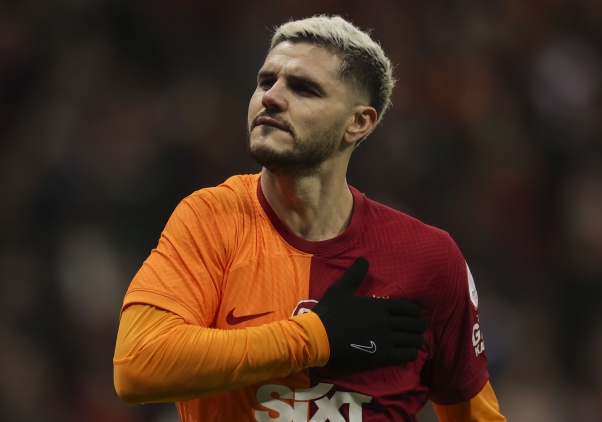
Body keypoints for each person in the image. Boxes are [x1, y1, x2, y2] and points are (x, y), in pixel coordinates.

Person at [113, 15, 506, 422]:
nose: (271, 97)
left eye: (304, 89)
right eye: (266, 82)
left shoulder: (429, 258)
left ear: (358, 123)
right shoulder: (212, 219)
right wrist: (317, 337)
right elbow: (136, 365)